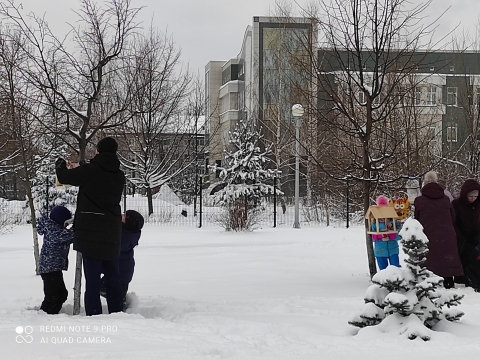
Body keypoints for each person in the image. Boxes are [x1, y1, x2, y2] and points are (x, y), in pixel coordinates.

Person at [55, 137, 126, 315]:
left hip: (90, 232)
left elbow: (64, 177)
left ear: (99, 151)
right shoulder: (119, 175)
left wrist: (60, 164)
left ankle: (94, 314)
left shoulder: (90, 170)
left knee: (92, 279)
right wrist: (80, 170)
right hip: (111, 231)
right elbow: (96, 180)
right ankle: (117, 312)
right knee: (113, 276)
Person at [414, 171, 463, 289]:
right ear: (437, 183)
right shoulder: (446, 199)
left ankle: (428, 284)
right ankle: (448, 281)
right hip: (447, 233)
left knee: (430, 258)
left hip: (428, 233)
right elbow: (453, 217)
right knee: (447, 257)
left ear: (424, 184)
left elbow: (417, 219)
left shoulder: (419, 201)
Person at [101, 210, 144, 310]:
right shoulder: (130, 234)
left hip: (120, 273)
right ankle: (123, 304)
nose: (122, 215)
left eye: (125, 216)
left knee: (105, 289)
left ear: (129, 222)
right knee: (117, 294)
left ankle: (122, 310)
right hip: (125, 273)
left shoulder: (123, 236)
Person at [37, 205, 74, 314]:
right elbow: (70, 235)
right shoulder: (54, 231)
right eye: (66, 222)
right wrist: (77, 226)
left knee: (62, 294)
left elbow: (67, 238)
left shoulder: (54, 228)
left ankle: (53, 313)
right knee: (53, 295)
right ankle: (46, 314)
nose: (67, 225)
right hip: (49, 269)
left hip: (53, 268)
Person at [452, 178, 480, 290]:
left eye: (476, 196)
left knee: (475, 258)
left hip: (477, 235)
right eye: (470, 196)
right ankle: (464, 278)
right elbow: (454, 221)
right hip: (463, 235)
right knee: (465, 257)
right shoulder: (456, 204)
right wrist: (460, 235)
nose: (473, 199)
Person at [371, 195, 401, 270]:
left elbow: (400, 235)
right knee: (383, 271)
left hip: (393, 250)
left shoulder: (394, 222)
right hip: (380, 251)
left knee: (395, 269)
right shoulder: (375, 223)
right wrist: (380, 235)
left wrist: (392, 235)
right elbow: (373, 238)